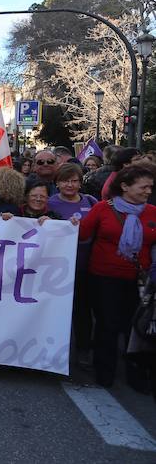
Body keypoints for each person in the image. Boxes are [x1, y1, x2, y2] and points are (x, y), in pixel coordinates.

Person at [79, 164, 156, 390]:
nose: (147, 191)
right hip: (104, 278)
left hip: (140, 282)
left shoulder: (152, 212)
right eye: (143, 187)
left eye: (150, 187)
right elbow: (82, 234)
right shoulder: (103, 209)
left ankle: (136, 374)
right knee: (107, 325)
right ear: (124, 186)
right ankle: (105, 372)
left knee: (135, 328)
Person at [48, 163, 99, 366]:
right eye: (65, 180)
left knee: (82, 310)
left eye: (74, 180)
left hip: (84, 266)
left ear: (80, 182)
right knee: (54, 310)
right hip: (56, 269)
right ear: (57, 183)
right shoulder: (50, 204)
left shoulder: (91, 202)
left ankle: (83, 349)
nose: (70, 185)